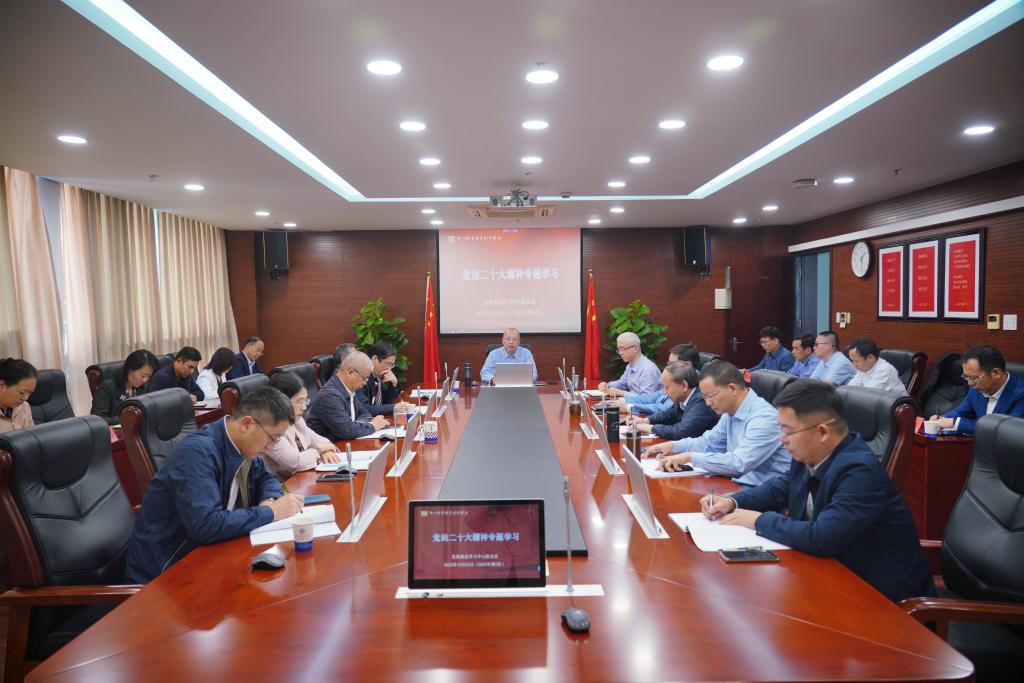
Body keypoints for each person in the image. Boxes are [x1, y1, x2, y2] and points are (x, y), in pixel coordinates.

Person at [701, 380, 935, 603]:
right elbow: (781, 489)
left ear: (822, 432)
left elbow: (823, 537)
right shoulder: (810, 453)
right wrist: (732, 502)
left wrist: (757, 520)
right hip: (828, 576)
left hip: (880, 598)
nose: (782, 439)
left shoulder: (860, 471)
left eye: (788, 431)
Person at [124, 387, 305, 583]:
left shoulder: (243, 445)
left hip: (213, 557)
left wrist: (268, 501)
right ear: (247, 424)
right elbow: (206, 525)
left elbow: (267, 478)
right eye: (273, 438)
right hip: (167, 575)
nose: (272, 446)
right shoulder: (196, 453)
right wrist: (271, 513)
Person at [646, 361, 791, 486]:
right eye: (705, 397)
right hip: (735, 483)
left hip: (763, 493)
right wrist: (673, 446)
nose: (708, 403)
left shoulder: (764, 418)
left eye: (710, 396)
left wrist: (689, 457)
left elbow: (739, 463)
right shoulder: (729, 413)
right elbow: (709, 443)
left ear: (732, 388)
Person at [930, 344, 1024, 434]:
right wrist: (941, 419)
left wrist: (956, 423)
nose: (969, 383)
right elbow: (960, 412)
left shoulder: (1021, 395)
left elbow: (1006, 430)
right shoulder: (977, 388)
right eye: (966, 377)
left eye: (974, 378)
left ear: (996, 373)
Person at [264, 371, 341, 478]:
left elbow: (325, 442)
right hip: (283, 485)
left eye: (305, 401)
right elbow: (297, 463)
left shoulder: (297, 421)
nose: (304, 407)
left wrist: (325, 452)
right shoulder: (271, 428)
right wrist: (319, 450)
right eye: (300, 402)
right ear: (281, 401)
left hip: (303, 480)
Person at [306, 352, 389, 440]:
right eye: (364, 378)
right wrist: (373, 425)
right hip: (330, 446)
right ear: (350, 372)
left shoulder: (348, 388)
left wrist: (356, 425)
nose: (365, 383)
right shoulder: (329, 396)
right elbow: (347, 431)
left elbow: (365, 413)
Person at [626, 361, 718, 440]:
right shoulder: (682, 399)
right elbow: (667, 415)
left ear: (684, 386)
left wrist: (649, 428)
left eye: (667, 387)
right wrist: (645, 421)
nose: (665, 393)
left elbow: (681, 432)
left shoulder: (701, 402)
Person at [616, 342, 701, 415]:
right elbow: (651, 397)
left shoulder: (691, 384)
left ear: (687, 365)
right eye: (669, 363)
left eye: (672, 364)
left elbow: (662, 409)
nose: (668, 367)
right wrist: (623, 400)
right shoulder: (676, 378)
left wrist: (629, 407)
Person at [90, 349, 160, 425]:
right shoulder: (107, 388)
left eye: (149, 376)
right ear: (130, 369)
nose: (145, 380)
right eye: (142, 376)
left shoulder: (142, 387)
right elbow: (97, 419)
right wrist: (131, 418)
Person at [598, 332, 662, 396]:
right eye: (619, 349)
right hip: (631, 401)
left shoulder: (647, 370)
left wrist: (620, 393)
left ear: (635, 348)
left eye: (623, 349)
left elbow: (646, 398)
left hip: (643, 402)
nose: (620, 353)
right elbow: (621, 383)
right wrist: (607, 385)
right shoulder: (630, 365)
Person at [361, 341, 413, 417]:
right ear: (374, 359)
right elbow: (365, 409)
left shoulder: (378, 376)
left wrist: (393, 384)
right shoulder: (362, 378)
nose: (389, 369)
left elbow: (385, 402)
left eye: (392, 365)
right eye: (388, 364)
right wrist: (394, 407)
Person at [0, 358, 37, 434]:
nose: (25, 398)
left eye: (29, 393)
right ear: (1, 385)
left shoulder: (24, 406)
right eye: (22, 392)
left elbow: (32, 436)